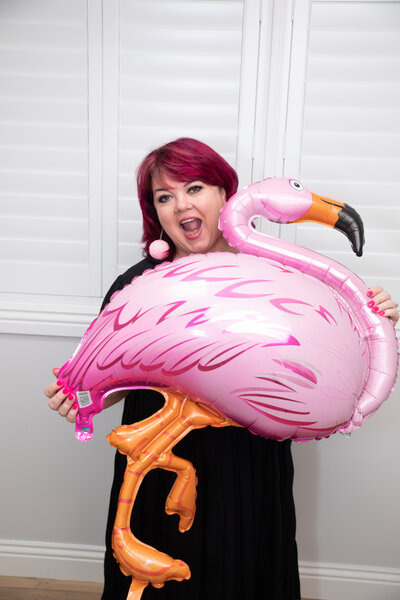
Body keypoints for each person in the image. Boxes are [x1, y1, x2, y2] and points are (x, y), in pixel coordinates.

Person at [46, 138, 399, 600]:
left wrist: (373, 318)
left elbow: (322, 355)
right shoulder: (137, 285)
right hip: (164, 457)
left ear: (224, 194)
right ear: (155, 213)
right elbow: (113, 381)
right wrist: (82, 399)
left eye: (194, 188)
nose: (180, 206)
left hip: (246, 459)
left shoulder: (277, 275)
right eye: (164, 197)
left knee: (242, 568)